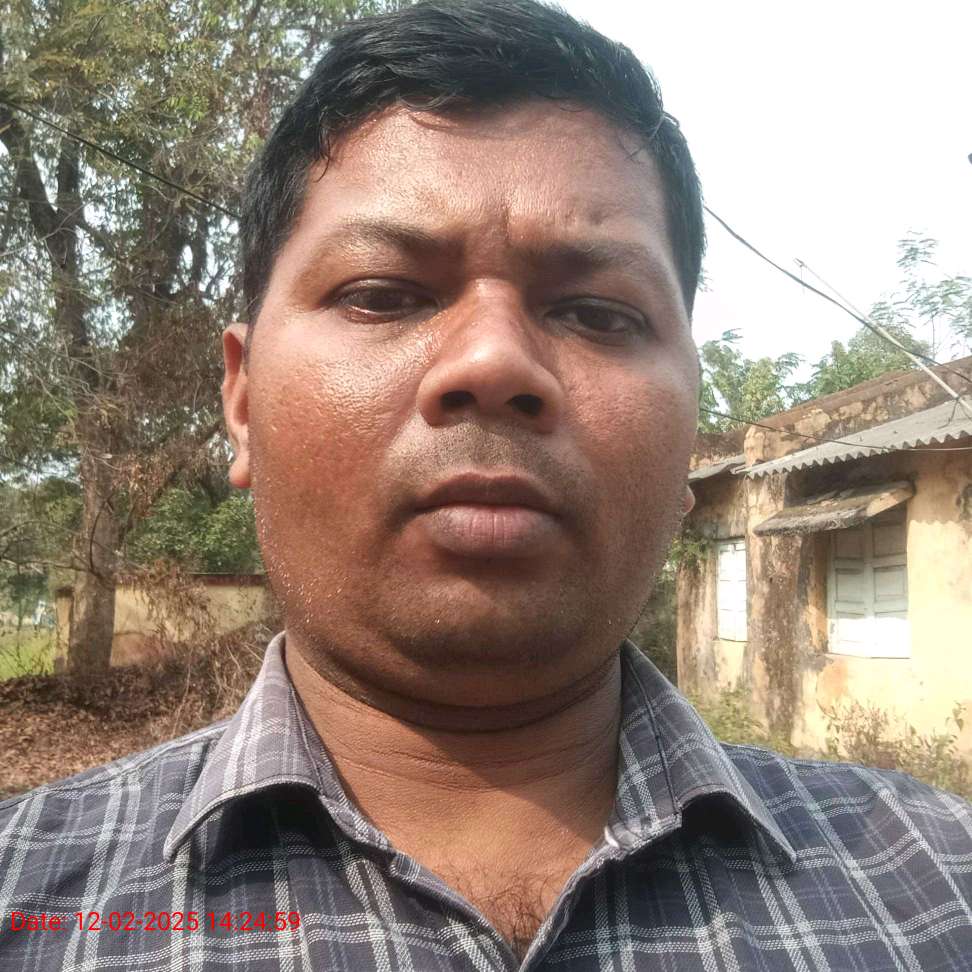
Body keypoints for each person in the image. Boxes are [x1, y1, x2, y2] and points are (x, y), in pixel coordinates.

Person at [1, 1, 970, 969]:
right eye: (383, 294)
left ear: (687, 443)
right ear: (244, 398)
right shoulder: (28, 898)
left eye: (597, 313)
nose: (495, 361)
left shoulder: (938, 885)